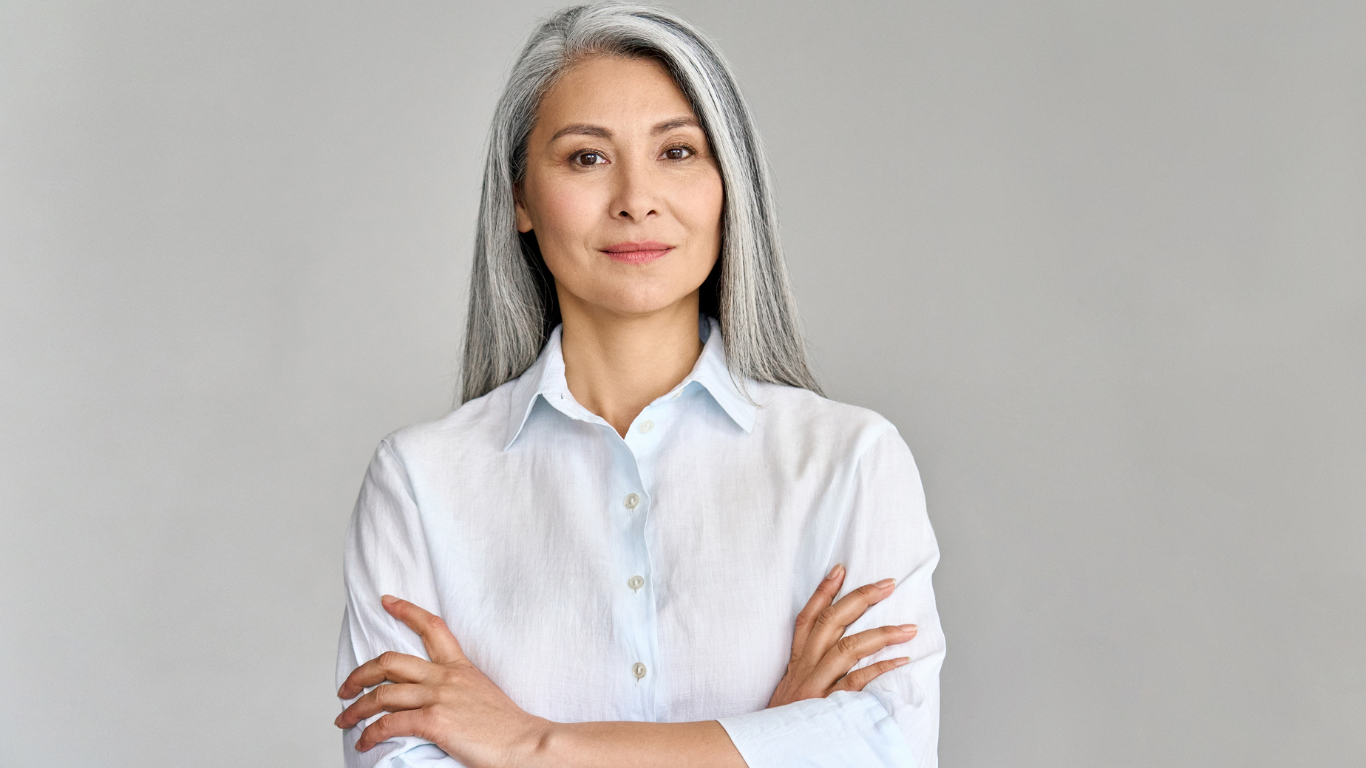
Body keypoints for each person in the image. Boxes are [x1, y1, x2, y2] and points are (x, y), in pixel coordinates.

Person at [332, 4, 945, 767]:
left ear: (730, 185)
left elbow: (887, 750)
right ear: (520, 197)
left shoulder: (851, 462)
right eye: (586, 158)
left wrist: (531, 745)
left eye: (678, 152)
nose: (636, 198)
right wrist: (765, 745)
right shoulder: (420, 483)